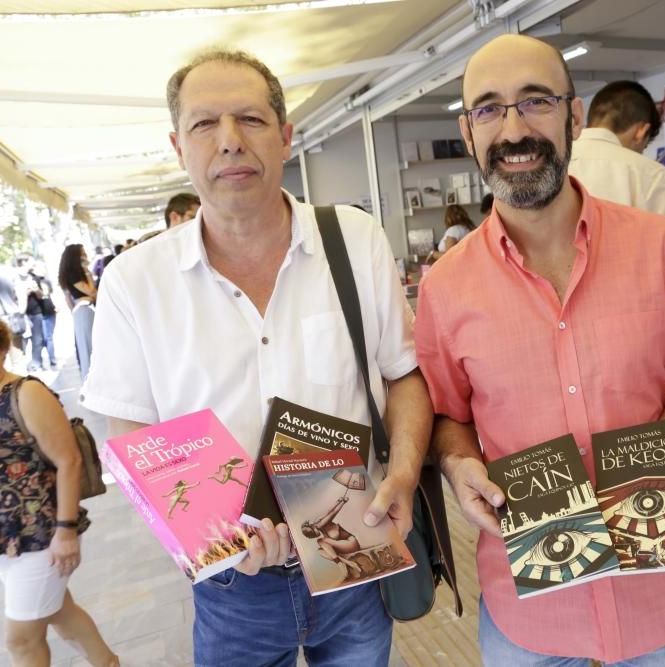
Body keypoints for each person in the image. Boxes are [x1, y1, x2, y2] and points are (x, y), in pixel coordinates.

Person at [80, 48, 432, 666]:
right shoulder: (136, 281)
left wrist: (402, 474)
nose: (230, 141)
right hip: (230, 587)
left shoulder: (354, 240)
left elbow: (404, 374)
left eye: (251, 119)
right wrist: (206, 539)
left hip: (354, 555)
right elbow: (130, 429)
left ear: (287, 136)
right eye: (204, 124)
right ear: (177, 145)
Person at [415, 34, 665, 665]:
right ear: (468, 130)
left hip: (657, 597)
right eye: (488, 108)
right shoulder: (445, 287)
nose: (513, 130)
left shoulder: (664, 249)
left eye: (535, 101)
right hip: (528, 611)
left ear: (574, 115)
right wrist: (458, 466)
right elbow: (448, 416)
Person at [0, 306, 117, 667]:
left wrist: (66, 532)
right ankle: (108, 662)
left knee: (21, 640)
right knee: (60, 613)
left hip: (37, 539)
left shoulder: (25, 393)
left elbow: (68, 460)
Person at [568, 80, 665, 221]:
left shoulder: (553, 161)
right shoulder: (656, 177)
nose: (640, 153)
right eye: (644, 147)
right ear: (641, 131)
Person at [57, 245, 96, 381]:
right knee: (88, 347)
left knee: (87, 346)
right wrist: (87, 272)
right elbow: (91, 291)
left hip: (81, 310)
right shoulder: (75, 274)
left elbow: (67, 298)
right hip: (85, 310)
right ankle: (90, 380)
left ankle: (89, 379)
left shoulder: (68, 274)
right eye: (83, 253)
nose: (85, 256)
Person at [21, 258, 59, 372]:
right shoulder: (19, 279)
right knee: (32, 339)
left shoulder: (38, 280)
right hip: (27, 312)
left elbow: (43, 294)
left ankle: (42, 361)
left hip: (43, 311)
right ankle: (35, 362)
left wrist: (36, 290)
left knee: (44, 338)